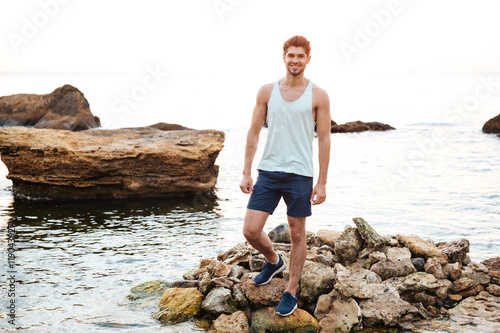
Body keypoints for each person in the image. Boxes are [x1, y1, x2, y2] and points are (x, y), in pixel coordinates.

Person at [239, 35, 331, 316]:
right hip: (268, 171)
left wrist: (322, 182)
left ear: (308, 59)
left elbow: (325, 139)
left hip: (300, 175)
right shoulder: (267, 91)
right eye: (291, 55)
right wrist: (246, 171)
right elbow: (254, 132)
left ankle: (291, 290)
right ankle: (273, 260)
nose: (295, 60)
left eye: (300, 56)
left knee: (297, 233)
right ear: (284, 57)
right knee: (251, 230)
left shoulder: (319, 95)